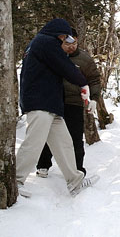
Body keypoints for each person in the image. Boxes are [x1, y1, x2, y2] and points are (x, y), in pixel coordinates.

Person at [17, 18, 99, 197]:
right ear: (60, 35)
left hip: (50, 103)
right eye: (65, 38)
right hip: (40, 102)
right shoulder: (46, 42)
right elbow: (66, 67)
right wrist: (83, 84)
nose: (66, 43)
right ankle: (15, 181)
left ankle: (75, 181)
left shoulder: (39, 44)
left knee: (64, 143)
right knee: (34, 142)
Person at [36, 27, 101, 177]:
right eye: (67, 43)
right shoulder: (52, 56)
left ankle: (78, 169)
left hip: (74, 103)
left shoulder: (84, 59)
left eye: (74, 43)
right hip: (52, 101)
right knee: (48, 134)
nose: (71, 46)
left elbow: (94, 79)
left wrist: (94, 99)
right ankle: (43, 165)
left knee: (76, 137)